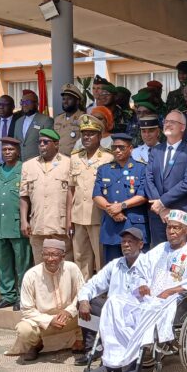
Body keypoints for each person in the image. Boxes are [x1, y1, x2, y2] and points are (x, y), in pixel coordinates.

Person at [84, 210, 187, 372]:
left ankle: (130, 367)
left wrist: (171, 291)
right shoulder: (159, 249)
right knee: (114, 303)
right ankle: (110, 363)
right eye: (169, 228)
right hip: (150, 296)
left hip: (176, 299)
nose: (171, 231)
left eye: (176, 228)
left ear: (185, 230)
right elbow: (141, 271)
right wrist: (142, 284)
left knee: (147, 309)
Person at [5, 238, 84, 362]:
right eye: (46, 254)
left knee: (91, 306)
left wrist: (69, 311)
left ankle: (79, 339)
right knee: (23, 330)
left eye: (54, 255)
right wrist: (49, 320)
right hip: (43, 321)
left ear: (63, 256)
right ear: (42, 255)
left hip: (68, 317)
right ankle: (36, 344)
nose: (50, 259)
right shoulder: (31, 275)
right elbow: (26, 309)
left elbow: (83, 294)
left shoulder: (72, 268)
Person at [76, 226, 146, 366]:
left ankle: (118, 356)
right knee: (86, 302)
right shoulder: (115, 264)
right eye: (123, 242)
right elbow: (92, 284)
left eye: (130, 241)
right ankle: (93, 348)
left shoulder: (148, 264)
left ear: (140, 244)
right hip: (113, 310)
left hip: (136, 312)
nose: (125, 244)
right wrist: (83, 300)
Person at [0, 137, 32, 311]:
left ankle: (23, 296)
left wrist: (26, 220)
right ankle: (8, 295)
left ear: (18, 151)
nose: (7, 152)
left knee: (23, 263)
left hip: (17, 223)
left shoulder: (24, 170)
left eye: (10, 150)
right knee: (3, 263)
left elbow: (28, 198)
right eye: (4, 150)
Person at [68, 114, 113, 280]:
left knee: (101, 257)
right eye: (84, 133)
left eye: (91, 133)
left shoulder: (108, 157)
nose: (86, 137)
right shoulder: (75, 157)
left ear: (100, 136)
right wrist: (69, 218)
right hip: (78, 215)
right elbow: (71, 189)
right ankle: (83, 293)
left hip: (99, 216)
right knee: (80, 257)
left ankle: (102, 293)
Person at [144, 110, 187, 246]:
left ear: (182, 127)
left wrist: (162, 202)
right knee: (158, 253)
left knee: (179, 256)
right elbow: (148, 178)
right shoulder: (156, 150)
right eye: (166, 122)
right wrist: (160, 207)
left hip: (179, 211)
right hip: (157, 214)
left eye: (172, 122)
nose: (168, 124)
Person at [20, 128, 73, 264]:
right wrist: (24, 221)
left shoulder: (69, 163)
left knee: (63, 265)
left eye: (46, 142)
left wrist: (70, 220)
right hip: (38, 225)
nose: (42, 145)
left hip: (60, 226)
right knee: (40, 265)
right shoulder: (28, 165)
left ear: (56, 144)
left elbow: (72, 195)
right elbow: (24, 195)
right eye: (40, 142)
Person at [93, 133, 148, 263]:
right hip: (111, 228)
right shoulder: (104, 169)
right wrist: (112, 210)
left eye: (121, 147)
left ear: (131, 149)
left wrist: (121, 206)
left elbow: (143, 195)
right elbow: (96, 195)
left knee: (138, 267)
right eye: (114, 147)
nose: (117, 150)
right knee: (112, 267)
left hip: (133, 225)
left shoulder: (141, 169)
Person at [14, 90, 54, 161]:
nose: (24, 104)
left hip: (39, 163)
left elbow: (48, 145)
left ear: (36, 103)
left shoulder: (46, 120)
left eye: (27, 102)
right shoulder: (18, 122)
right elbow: (16, 144)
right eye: (22, 102)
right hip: (20, 164)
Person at [53, 83, 85, 157]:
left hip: (74, 160)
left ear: (77, 101)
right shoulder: (58, 119)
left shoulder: (83, 118)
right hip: (57, 160)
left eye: (69, 99)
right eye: (64, 99)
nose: (65, 102)